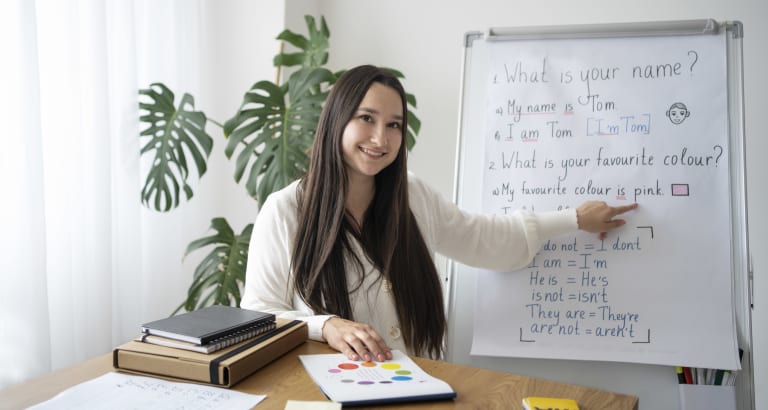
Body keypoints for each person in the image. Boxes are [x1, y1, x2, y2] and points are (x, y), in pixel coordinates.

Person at [240, 65, 637, 363]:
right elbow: (258, 313)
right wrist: (325, 324)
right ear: (336, 121)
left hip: (417, 386)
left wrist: (573, 219)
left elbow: (488, 240)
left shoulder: (413, 197)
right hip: (328, 392)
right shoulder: (285, 211)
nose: (381, 138)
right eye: (367, 119)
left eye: (394, 125)